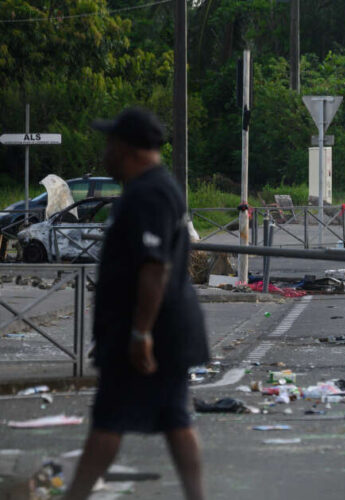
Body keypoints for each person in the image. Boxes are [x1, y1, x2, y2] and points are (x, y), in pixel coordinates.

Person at [65, 108, 209, 500]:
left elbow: (153, 267)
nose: (105, 153)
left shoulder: (149, 193)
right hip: (159, 329)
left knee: (109, 421)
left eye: (110, 144)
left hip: (150, 331)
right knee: (174, 417)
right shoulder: (153, 188)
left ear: (127, 148)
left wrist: (140, 332)